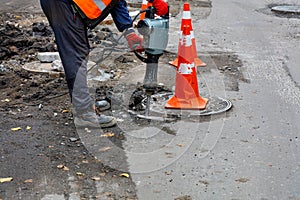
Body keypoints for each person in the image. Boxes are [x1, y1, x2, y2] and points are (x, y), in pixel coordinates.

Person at [40, 0, 168, 128]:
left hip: (71, 5)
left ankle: (85, 104)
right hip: (63, 4)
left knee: (80, 52)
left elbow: (116, 1)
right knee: (75, 55)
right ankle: (84, 113)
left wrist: (128, 32)